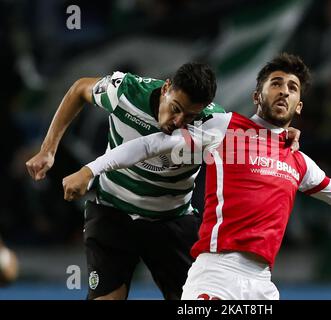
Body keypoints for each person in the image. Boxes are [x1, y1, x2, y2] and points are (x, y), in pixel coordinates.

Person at [61, 53, 331, 300]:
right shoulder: (223, 128)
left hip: (262, 283)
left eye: (293, 88)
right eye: (276, 83)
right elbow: (151, 145)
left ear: (299, 106)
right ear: (257, 95)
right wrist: (92, 169)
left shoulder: (297, 159)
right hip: (216, 273)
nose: (284, 91)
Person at [25, 62, 223, 300]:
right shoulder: (125, 92)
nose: (179, 121)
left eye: (190, 116)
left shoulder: (214, 122)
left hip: (173, 218)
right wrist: (48, 150)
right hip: (113, 210)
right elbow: (79, 89)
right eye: (175, 108)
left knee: (195, 302)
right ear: (166, 88)